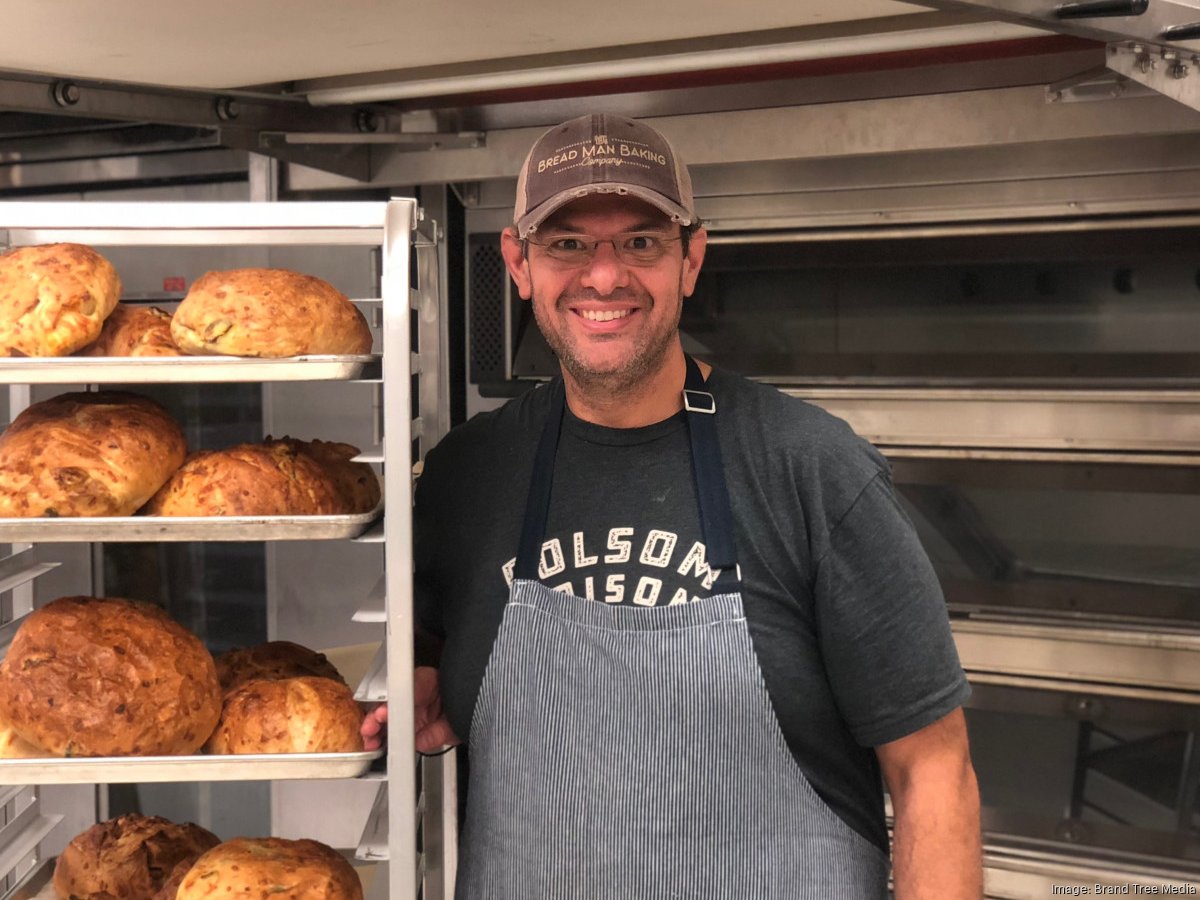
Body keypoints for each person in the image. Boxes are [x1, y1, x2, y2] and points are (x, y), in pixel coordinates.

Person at [362, 112, 982, 899]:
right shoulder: (467, 474)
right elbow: (437, 647)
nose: (605, 275)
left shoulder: (812, 470)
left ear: (692, 257)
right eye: (568, 243)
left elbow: (933, 767)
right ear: (518, 263)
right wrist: (427, 676)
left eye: (642, 242)